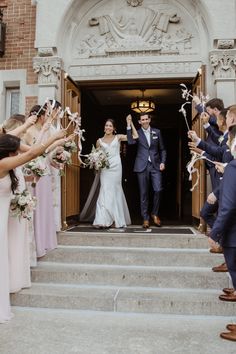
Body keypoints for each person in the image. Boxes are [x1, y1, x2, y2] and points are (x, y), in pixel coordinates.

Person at [0, 130, 65, 324]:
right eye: (15, 151)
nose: (17, 155)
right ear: (8, 151)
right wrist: (54, 138)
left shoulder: (8, 166)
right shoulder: (2, 163)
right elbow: (31, 154)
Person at [93, 116, 138, 228]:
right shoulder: (99, 141)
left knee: (115, 191)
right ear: (104, 128)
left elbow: (135, 136)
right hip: (105, 169)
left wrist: (130, 123)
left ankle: (114, 219)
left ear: (114, 128)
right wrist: (96, 164)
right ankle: (102, 219)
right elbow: (96, 156)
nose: (108, 127)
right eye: (106, 125)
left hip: (116, 168)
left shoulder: (118, 137)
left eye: (110, 126)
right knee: (104, 190)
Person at [126, 113, 167, 228]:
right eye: (142, 120)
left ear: (149, 120)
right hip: (141, 166)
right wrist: (129, 125)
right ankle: (145, 218)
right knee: (143, 193)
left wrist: (163, 162)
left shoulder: (157, 132)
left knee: (158, 190)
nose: (144, 121)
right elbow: (130, 142)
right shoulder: (137, 133)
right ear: (139, 122)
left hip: (155, 166)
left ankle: (154, 214)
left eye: (146, 119)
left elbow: (162, 149)